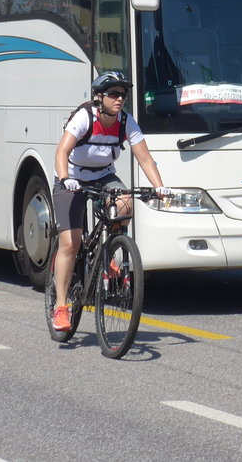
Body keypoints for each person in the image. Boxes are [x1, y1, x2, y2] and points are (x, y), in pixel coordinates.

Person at [51, 71, 172, 332]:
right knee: (70, 243)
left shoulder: (126, 122)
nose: (120, 99)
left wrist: (159, 187)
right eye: (113, 94)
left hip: (104, 176)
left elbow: (146, 159)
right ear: (99, 97)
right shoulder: (85, 116)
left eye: (123, 95)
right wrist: (65, 178)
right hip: (72, 177)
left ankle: (108, 252)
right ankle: (61, 307)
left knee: (126, 202)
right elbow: (62, 151)